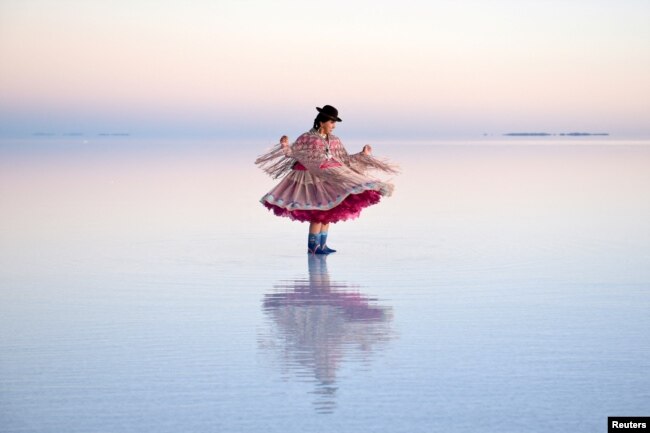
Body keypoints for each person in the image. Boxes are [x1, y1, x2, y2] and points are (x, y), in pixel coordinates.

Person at [255, 105, 398, 254]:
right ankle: (313, 246)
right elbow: (293, 152)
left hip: (328, 175)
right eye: (331, 122)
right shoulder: (307, 138)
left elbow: (344, 159)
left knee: (328, 210)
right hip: (309, 176)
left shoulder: (334, 140)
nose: (333, 126)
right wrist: (285, 145)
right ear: (322, 122)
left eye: (334, 123)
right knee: (317, 210)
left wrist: (362, 155)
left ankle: (322, 244)